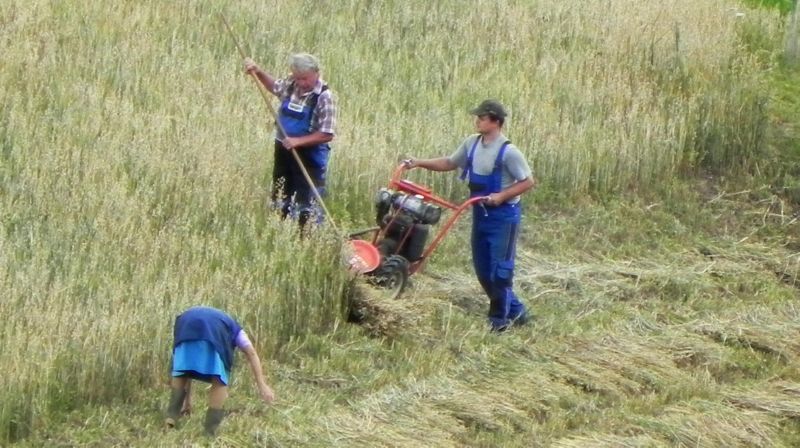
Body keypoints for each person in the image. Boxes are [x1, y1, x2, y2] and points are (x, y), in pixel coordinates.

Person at [405, 99, 536, 332]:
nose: (477, 121)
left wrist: (502, 195)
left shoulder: (509, 152)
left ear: (496, 121)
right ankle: (518, 313)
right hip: (480, 212)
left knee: (500, 271)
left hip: (503, 216)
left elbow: (528, 181)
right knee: (483, 269)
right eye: (477, 117)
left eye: (482, 118)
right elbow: (449, 162)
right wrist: (418, 162)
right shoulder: (472, 143)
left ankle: (498, 323)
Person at [244, 53, 337, 227]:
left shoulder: (324, 97)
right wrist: (257, 72)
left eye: (305, 79)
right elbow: (275, 87)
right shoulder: (291, 84)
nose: (301, 83)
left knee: (306, 202)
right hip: (284, 152)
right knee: (281, 195)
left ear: (316, 73)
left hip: (310, 158)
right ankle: (280, 230)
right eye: (297, 78)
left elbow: (327, 134)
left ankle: (306, 237)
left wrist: (298, 142)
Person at [164, 306, 275, 436]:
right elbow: (251, 353)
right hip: (212, 331)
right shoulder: (237, 330)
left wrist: (187, 402)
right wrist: (262, 385)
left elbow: (187, 370)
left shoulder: (210, 319)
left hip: (185, 324)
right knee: (219, 378)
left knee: (182, 369)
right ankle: (210, 431)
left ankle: (170, 418)